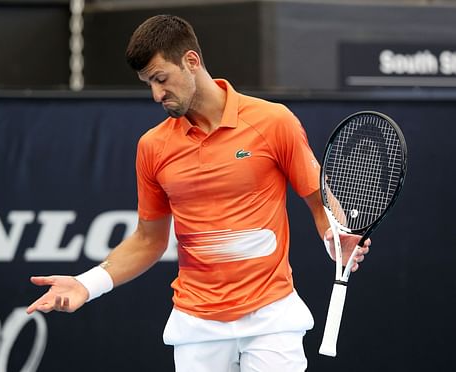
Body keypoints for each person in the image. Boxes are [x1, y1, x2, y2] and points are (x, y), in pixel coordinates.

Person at [27, 14, 370, 372]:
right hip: (197, 326)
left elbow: (319, 201)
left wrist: (336, 234)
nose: (157, 94)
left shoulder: (274, 122)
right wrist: (87, 284)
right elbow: (148, 240)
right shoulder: (153, 147)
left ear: (191, 61)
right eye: (148, 84)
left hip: (272, 318)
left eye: (161, 79)